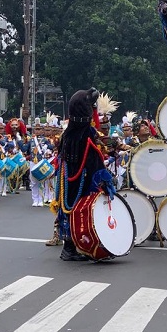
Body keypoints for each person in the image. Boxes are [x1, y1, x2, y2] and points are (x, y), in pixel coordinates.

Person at [52, 88, 116, 261]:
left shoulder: (67, 134)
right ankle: (83, 246)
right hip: (84, 180)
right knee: (84, 212)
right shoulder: (87, 134)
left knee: (69, 210)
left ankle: (70, 247)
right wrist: (106, 181)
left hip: (69, 179)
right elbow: (94, 161)